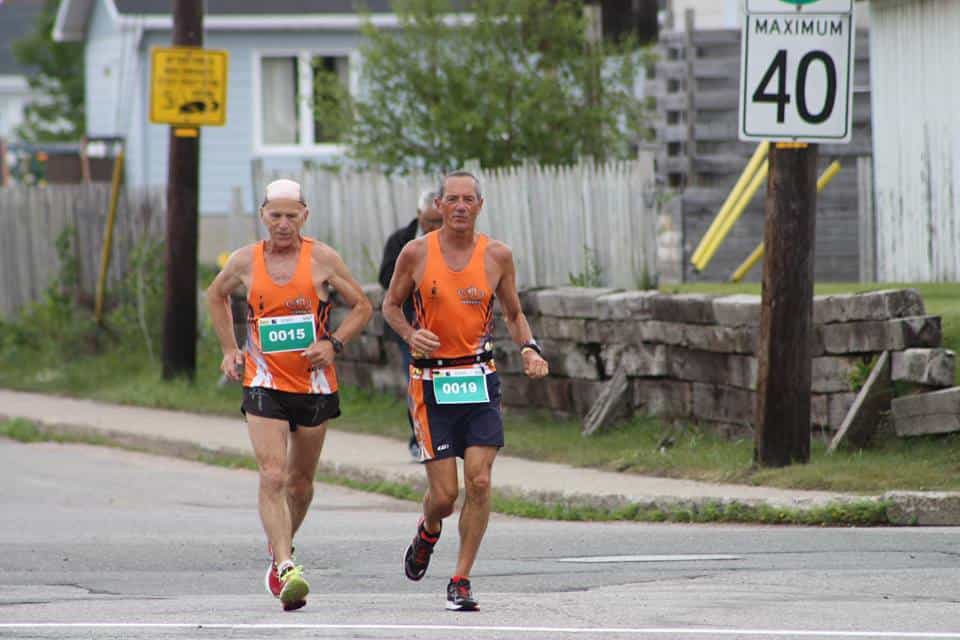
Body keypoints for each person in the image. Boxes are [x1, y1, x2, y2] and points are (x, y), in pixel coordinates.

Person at [382, 170, 549, 611]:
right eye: (451, 199)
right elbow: (390, 305)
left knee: (479, 479)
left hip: (477, 378)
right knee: (444, 497)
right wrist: (409, 333)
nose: (459, 206)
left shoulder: (497, 255)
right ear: (438, 206)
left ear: (480, 205)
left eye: (467, 199)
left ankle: (460, 578)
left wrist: (529, 348)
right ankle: (428, 530)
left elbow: (514, 314)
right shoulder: (415, 253)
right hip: (430, 383)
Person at [206, 178, 372, 612]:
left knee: (300, 484)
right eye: (275, 215)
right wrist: (229, 348)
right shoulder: (245, 261)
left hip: (315, 385)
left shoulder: (322, 258)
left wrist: (332, 344)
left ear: (305, 216)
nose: (283, 224)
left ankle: (282, 546)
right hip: (263, 381)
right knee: (273, 475)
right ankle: (284, 566)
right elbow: (216, 295)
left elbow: (363, 307)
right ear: (262, 215)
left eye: (291, 216)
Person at [378, 189, 444, 460]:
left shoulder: (454, 243)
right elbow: (385, 278)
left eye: (439, 221)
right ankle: (418, 437)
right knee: (415, 382)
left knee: (445, 383)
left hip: (444, 325)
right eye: (430, 221)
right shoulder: (401, 241)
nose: (434, 227)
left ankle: (444, 436)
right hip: (411, 327)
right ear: (419, 216)